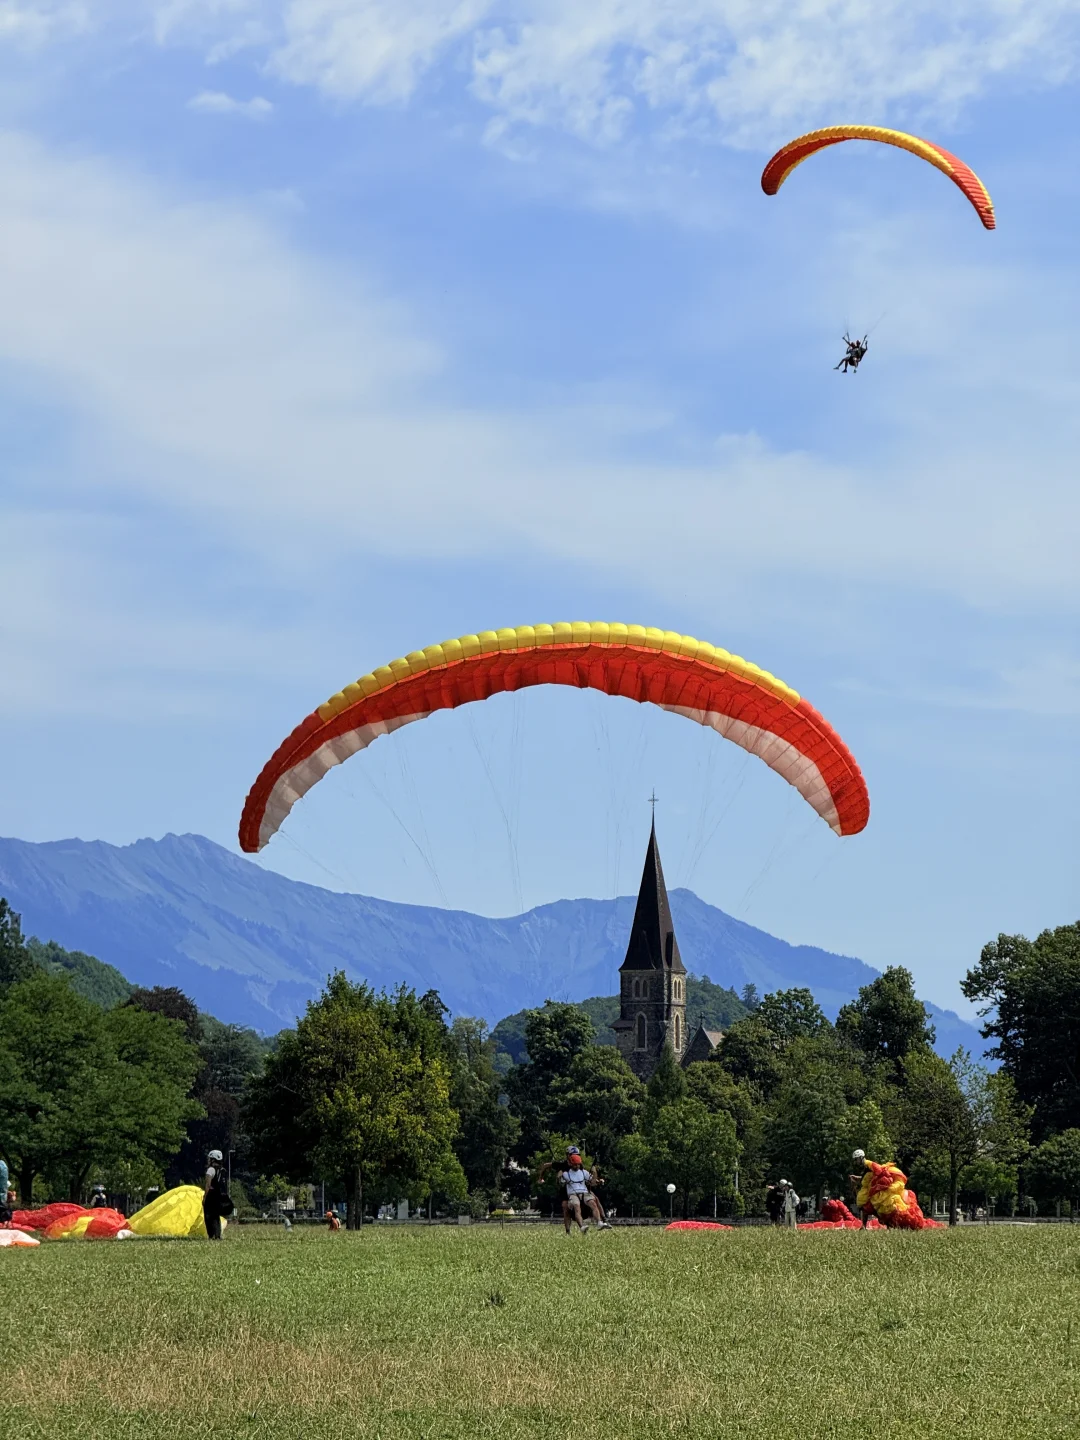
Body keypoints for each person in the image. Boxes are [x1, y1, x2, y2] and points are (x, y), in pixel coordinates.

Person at [203, 1149, 232, 1241]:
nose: (209, 1160)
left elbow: (208, 1185)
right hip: (221, 1197)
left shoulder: (211, 1170)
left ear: (213, 1159)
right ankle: (217, 1235)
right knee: (216, 1216)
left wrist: (205, 1197)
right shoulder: (223, 1170)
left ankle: (212, 1236)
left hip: (212, 1196)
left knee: (209, 1216)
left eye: (210, 1158)